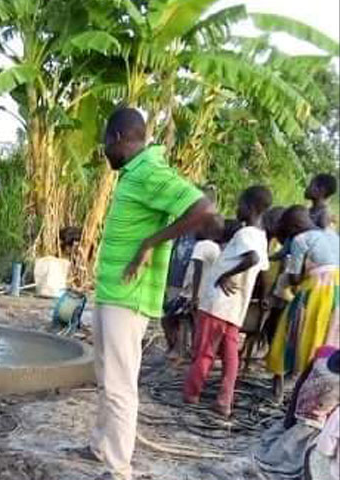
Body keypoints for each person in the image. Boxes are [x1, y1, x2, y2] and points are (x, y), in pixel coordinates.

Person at [86, 107, 214, 480]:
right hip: (113, 292)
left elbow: (203, 207)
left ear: (117, 139)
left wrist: (149, 244)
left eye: (105, 145)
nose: (105, 153)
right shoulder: (134, 172)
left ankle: (119, 468)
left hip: (128, 297)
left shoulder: (149, 171)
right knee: (107, 377)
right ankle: (100, 445)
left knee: (120, 385)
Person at [183, 185, 273, 417]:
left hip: (217, 304)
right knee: (231, 355)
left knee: (204, 351)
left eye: (240, 203)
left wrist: (225, 274)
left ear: (251, 207)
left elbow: (251, 259)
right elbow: (262, 268)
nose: (237, 208)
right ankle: (224, 400)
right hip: (236, 309)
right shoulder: (262, 238)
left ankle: (192, 394)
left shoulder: (245, 234)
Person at [267, 205, 340, 385]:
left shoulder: (300, 239)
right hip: (336, 291)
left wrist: (288, 280)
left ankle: (297, 374)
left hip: (314, 291)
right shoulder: (332, 235)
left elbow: (294, 276)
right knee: (328, 334)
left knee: (296, 329)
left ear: (293, 228)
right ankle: (321, 378)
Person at [254, 347, 339, 479]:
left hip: (297, 417)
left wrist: (289, 418)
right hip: (313, 430)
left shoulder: (324, 352)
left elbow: (299, 385)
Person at [161, 213, 224, 360]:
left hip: (191, 296)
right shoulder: (216, 247)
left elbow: (197, 270)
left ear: (206, 229)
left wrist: (194, 296)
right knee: (195, 325)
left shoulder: (201, 245)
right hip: (202, 296)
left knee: (168, 318)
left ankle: (176, 349)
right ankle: (195, 353)